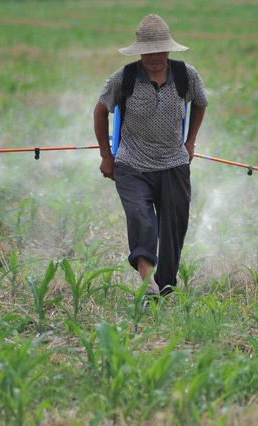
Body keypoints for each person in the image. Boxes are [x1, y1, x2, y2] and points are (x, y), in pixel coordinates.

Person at [93, 14, 207, 297]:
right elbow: (99, 111)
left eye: (159, 51)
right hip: (132, 163)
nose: (154, 57)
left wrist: (190, 142)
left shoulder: (186, 75)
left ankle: (166, 287)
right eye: (148, 51)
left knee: (173, 226)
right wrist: (106, 156)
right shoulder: (125, 78)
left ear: (167, 50)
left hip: (174, 163)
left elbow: (201, 104)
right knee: (140, 218)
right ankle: (149, 284)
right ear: (140, 51)